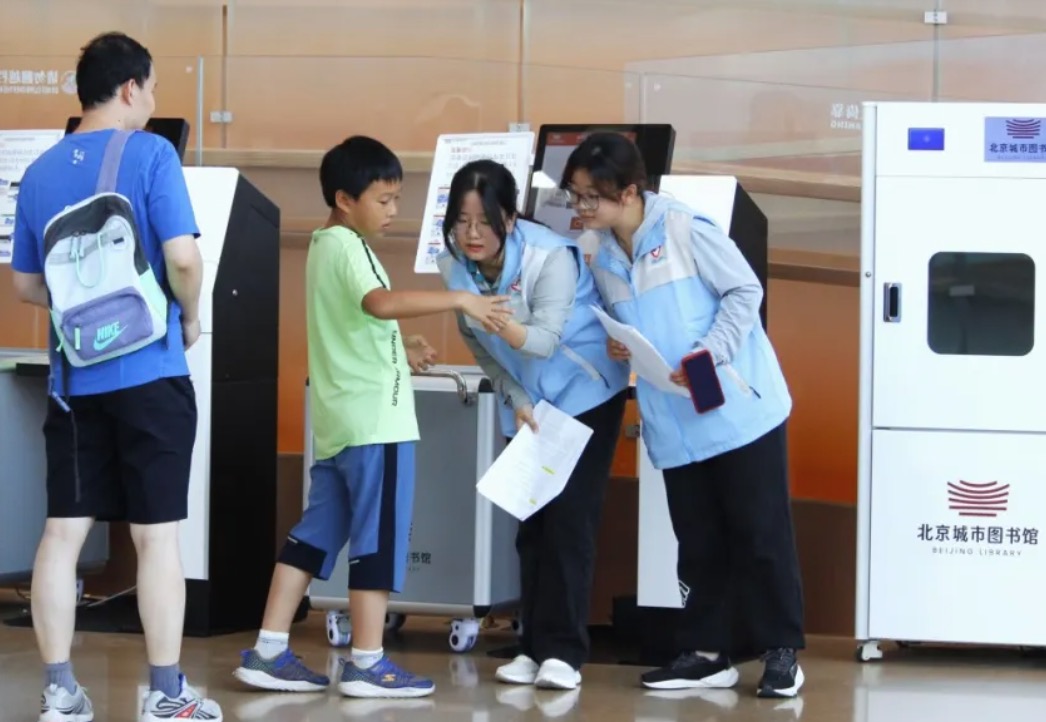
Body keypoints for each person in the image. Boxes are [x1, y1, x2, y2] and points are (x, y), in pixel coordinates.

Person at [232, 136, 512, 698]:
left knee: (312, 539)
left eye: (396, 198)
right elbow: (378, 304)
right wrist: (460, 300)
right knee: (377, 539)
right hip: (376, 425)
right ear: (344, 199)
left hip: (340, 425)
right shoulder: (348, 246)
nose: (393, 211)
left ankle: (268, 650)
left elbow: (353, 326)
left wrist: (400, 346)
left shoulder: (323, 246)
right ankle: (367, 661)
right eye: (383, 200)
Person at [10, 32, 222, 722]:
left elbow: (26, 285)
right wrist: (189, 317)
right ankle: (165, 694)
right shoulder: (151, 153)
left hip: (74, 384)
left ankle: (60, 692)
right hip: (150, 371)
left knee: (62, 533)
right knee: (156, 536)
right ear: (130, 88)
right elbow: (183, 258)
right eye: (152, 89)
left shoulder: (39, 172)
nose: (153, 102)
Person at [560, 133, 806, 699]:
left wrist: (710, 353)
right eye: (574, 194)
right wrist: (620, 344)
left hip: (738, 411)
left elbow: (744, 292)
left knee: (761, 535)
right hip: (674, 422)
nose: (580, 208)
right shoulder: (599, 253)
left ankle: (781, 653)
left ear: (628, 192)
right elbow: (626, 322)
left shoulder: (684, 228)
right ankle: (706, 652)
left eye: (590, 196)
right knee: (696, 542)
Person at [436, 159, 630, 690]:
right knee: (533, 524)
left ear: (510, 217)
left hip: (585, 391)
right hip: (528, 399)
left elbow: (543, 340)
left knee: (569, 523)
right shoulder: (455, 268)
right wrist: (517, 399)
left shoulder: (551, 256)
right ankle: (532, 646)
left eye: (484, 221)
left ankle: (564, 652)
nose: (472, 234)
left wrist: (488, 314)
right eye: (461, 221)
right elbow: (479, 348)